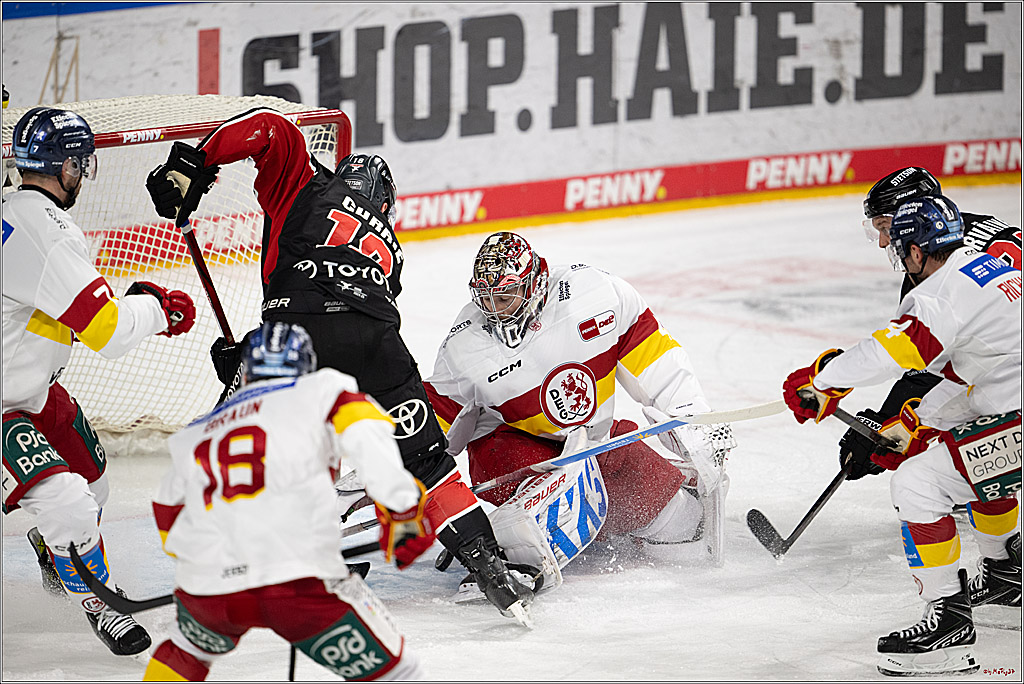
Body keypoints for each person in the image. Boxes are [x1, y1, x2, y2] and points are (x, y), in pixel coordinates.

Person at [143, 108, 530, 623]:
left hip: (300, 331)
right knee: (427, 464)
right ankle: (489, 568)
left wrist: (197, 161)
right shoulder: (389, 247)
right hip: (377, 343)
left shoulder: (308, 186)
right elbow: (346, 316)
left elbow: (271, 127)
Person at [782, 194, 1021, 676]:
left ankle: (950, 628)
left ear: (916, 250)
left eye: (901, 248)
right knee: (955, 459)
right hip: (1010, 401)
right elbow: (979, 378)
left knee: (918, 485)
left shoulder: (944, 291)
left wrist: (822, 380)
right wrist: (916, 424)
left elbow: (897, 349)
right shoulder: (990, 267)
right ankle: (1007, 572)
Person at [423, 231, 735, 594]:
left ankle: (665, 497)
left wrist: (693, 420)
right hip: (513, 443)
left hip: (591, 440)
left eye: (504, 296)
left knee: (680, 527)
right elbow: (436, 422)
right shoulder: (464, 345)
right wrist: (392, 466)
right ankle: (510, 556)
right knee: (508, 463)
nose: (494, 309)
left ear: (534, 283)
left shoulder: (595, 294)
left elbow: (656, 361)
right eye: (485, 298)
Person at [2, 107, 197, 656]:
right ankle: (101, 604)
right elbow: (106, 332)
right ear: (65, 167)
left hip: (28, 390)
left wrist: (125, 304)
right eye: (79, 166)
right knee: (68, 503)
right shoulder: (47, 229)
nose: (82, 178)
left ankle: (51, 550)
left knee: (93, 484)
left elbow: (66, 313)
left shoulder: (16, 210)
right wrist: (157, 310)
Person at [143, 321, 431, 681]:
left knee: (184, 652)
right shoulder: (322, 390)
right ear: (305, 366)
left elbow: (168, 511)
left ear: (246, 373)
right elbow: (366, 433)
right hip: (297, 585)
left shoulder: (200, 429)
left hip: (210, 593)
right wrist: (402, 510)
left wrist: (213, 566)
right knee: (400, 672)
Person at [838, 167, 1022, 610]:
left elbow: (923, 363)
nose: (885, 243)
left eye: (886, 228)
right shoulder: (969, 234)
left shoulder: (938, 265)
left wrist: (885, 423)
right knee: (973, 439)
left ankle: (950, 616)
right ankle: (1007, 571)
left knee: (927, 478)